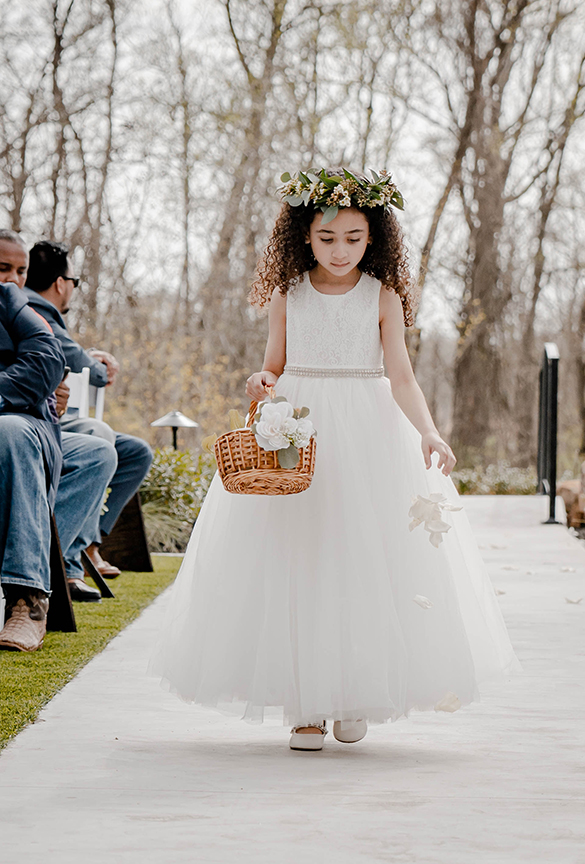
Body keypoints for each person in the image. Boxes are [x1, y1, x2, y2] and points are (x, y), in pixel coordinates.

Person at [150, 168, 520, 750]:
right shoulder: (288, 293)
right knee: (303, 559)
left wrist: (428, 431)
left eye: (353, 237)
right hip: (301, 429)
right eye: (327, 238)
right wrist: (262, 381)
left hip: (368, 430)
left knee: (361, 560)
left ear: (372, 238)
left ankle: (352, 694)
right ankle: (305, 707)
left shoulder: (383, 295)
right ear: (305, 236)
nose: (340, 249)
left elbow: (400, 374)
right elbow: (273, 363)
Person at [0, 230, 118, 609]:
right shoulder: (38, 306)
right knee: (13, 431)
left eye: (21, 271)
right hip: (21, 421)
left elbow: (48, 364)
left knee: (102, 450)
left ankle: (55, 566)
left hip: (34, 422)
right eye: (3, 269)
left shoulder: (23, 310)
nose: (14, 280)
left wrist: (42, 389)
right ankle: (41, 577)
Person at [25, 240, 153, 578]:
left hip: (56, 421)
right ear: (61, 283)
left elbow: (75, 357)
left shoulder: (37, 312)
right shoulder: (33, 311)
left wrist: (89, 356)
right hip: (39, 424)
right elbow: (90, 371)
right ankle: (63, 563)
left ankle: (88, 545)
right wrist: (99, 363)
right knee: (101, 438)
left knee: (135, 451)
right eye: (75, 282)